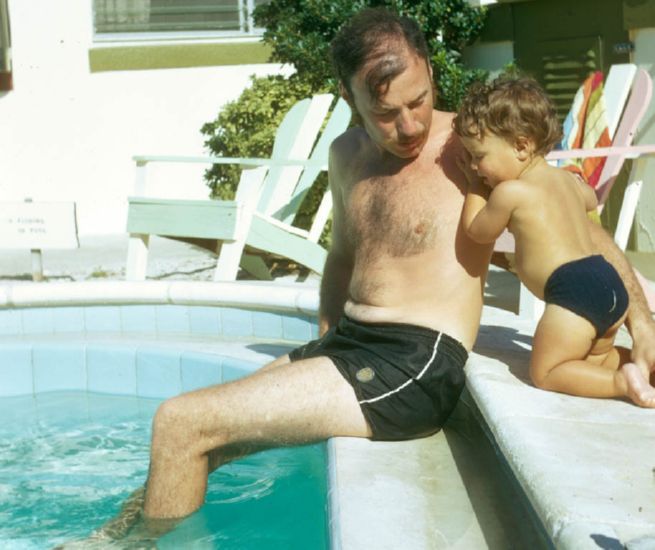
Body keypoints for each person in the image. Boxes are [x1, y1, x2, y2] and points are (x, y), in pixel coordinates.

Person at [84, 7, 655, 541]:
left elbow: (584, 230)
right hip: (353, 346)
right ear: (348, 96)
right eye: (385, 112)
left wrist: (643, 324)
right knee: (201, 435)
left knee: (180, 421)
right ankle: (116, 537)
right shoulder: (345, 155)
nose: (408, 126)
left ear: (431, 72)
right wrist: (327, 335)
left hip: (412, 362)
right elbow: (341, 256)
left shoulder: (474, 148)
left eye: (420, 100)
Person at [453, 76, 655, 407]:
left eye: (479, 156)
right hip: (609, 282)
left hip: (572, 292)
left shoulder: (509, 192)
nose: (476, 165)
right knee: (593, 361)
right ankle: (640, 371)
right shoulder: (567, 180)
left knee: (547, 371)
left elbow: (478, 231)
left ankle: (623, 382)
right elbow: (590, 199)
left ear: (520, 146)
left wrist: (474, 185)